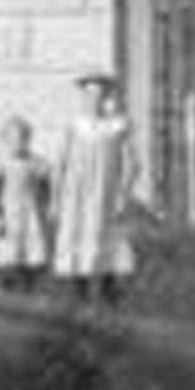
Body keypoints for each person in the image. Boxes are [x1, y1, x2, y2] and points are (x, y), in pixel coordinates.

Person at [47, 71, 153, 304]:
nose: (94, 101)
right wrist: (55, 198)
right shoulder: (73, 125)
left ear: (107, 97)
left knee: (107, 237)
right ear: (82, 97)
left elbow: (133, 164)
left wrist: (123, 193)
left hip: (105, 193)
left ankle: (108, 290)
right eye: (89, 96)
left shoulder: (117, 126)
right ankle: (79, 291)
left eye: (100, 96)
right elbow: (60, 163)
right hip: (76, 194)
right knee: (78, 235)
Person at [0, 116, 57, 293]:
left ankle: (29, 282)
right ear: (5, 141)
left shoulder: (34, 162)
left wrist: (46, 202)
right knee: (5, 246)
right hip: (7, 208)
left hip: (28, 209)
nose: (18, 144)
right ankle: (4, 282)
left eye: (22, 139)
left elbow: (45, 182)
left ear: (28, 140)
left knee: (30, 245)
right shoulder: (1, 162)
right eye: (13, 140)